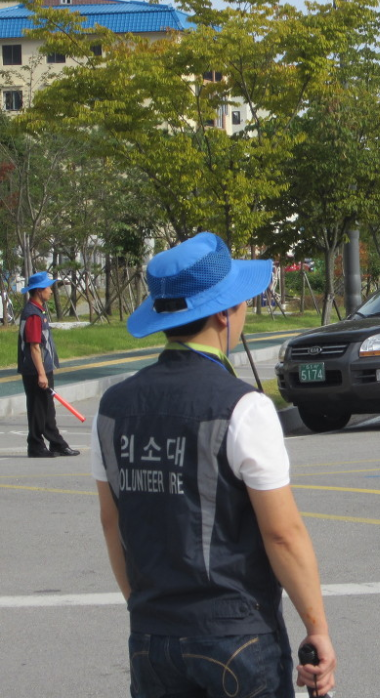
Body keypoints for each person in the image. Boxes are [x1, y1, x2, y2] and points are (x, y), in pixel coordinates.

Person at [92, 232, 336, 697]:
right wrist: (317, 627)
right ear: (224, 312)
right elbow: (282, 533)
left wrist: (147, 613)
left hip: (151, 636)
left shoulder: (112, 407)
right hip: (235, 635)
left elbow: (112, 524)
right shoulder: (244, 407)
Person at [18, 271, 78, 458]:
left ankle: (56, 443)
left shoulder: (39, 311)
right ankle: (35, 445)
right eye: (48, 287)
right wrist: (42, 374)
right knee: (38, 408)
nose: (51, 291)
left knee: (47, 408)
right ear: (39, 291)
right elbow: (34, 347)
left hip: (42, 367)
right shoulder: (33, 315)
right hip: (36, 369)